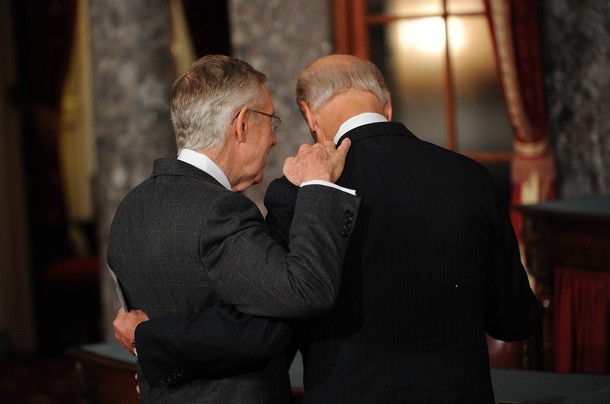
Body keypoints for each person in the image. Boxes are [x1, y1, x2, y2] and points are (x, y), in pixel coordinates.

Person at [114, 54, 541, 403]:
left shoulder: (299, 193)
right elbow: (515, 319)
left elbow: (268, 327)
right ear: (387, 106)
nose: (275, 139)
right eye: (270, 123)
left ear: (310, 115)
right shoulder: (471, 178)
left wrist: (153, 347)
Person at [106, 54, 361, 404]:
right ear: (241, 124)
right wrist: (318, 186)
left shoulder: (129, 208)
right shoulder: (219, 211)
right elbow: (298, 297)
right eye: (270, 122)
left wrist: (147, 342)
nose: (273, 140)